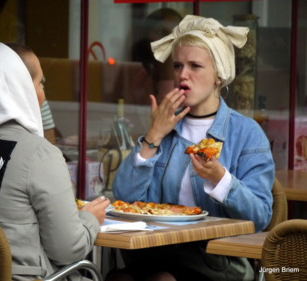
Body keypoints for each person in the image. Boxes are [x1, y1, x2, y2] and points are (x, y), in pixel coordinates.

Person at [108, 15, 275, 281]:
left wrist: (220, 179)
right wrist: (153, 135)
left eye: (195, 66)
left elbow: (260, 217)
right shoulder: (164, 126)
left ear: (219, 75)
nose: (182, 75)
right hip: (155, 252)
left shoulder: (246, 133)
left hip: (216, 261)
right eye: (177, 65)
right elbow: (125, 198)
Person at [0, 42, 110, 281]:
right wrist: (89, 219)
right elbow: (68, 250)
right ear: (20, 89)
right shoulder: (38, 154)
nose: (43, 95)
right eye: (39, 83)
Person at [130, 8, 182, 105]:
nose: (169, 40)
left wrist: (167, 71)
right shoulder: (142, 78)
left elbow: (168, 113)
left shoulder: (186, 79)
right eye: (160, 32)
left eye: (176, 34)